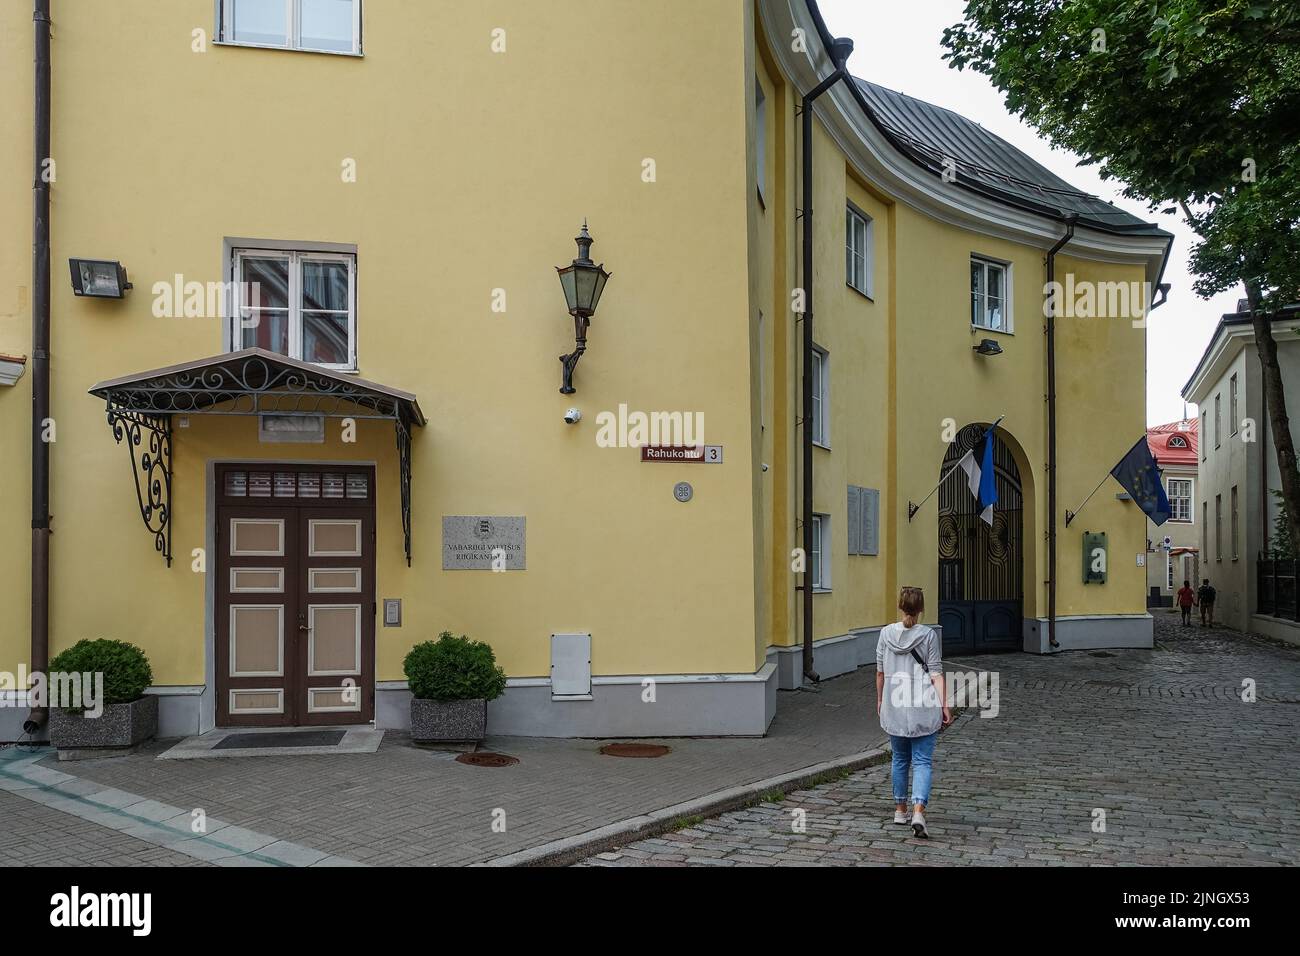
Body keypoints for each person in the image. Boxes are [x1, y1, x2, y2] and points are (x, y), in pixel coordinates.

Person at [875, 586, 952, 839]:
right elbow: (936, 673)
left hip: (894, 706)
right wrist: (944, 704)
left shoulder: (885, 634)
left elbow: (880, 672)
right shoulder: (928, 635)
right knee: (921, 761)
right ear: (921, 609)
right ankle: (918, 810)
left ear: (900, 606)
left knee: (899, 759)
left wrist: (879, 700)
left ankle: (900, 810)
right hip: (922, 705)